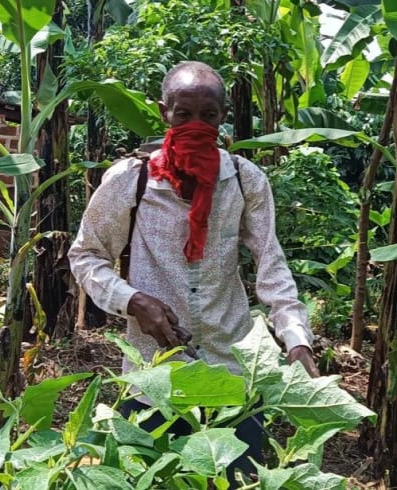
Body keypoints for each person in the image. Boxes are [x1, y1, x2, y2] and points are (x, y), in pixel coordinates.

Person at [68, 61, 318, 482]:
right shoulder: (132, 180)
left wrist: (296, 339)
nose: (196, 125)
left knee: (236, 479)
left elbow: (271, 265)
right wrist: (134, 301)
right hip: (155, 378)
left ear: (223, 117)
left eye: (209, 115)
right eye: (184, 114)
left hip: (232, 371)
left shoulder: (244, 179)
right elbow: (86, 255)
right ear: (164, 112)